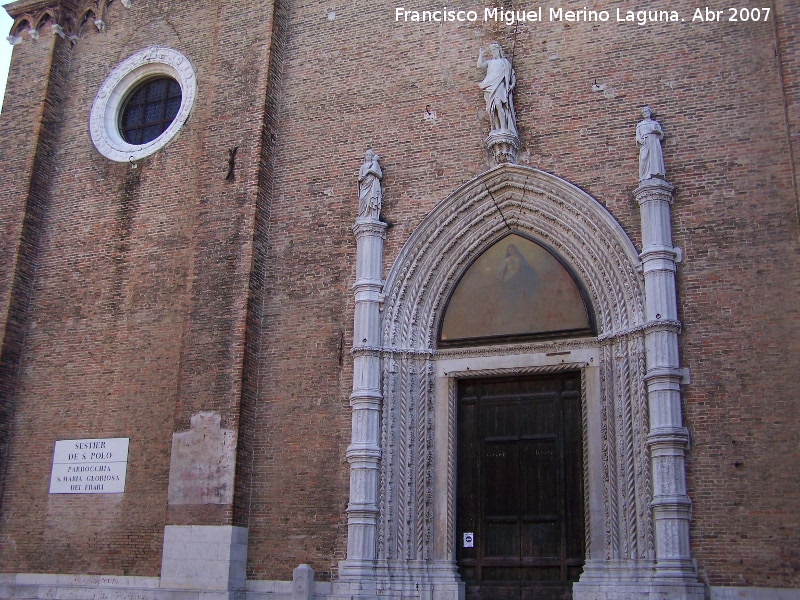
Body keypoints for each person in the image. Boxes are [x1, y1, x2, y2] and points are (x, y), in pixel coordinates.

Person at [477, 42, 517, 135]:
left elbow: (512, 74)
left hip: (500, 86)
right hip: (490, 87)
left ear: (499, 50)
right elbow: (480, 65)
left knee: (499, 105)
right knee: (492, 108)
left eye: (494, 50)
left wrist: (512, 84)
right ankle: (497, 128)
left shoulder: (504, 62)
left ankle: (503, 127)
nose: (493, 52)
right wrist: (481, 55)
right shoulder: (490, 62)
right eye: (491, 51)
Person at [636, 106, 666, 181]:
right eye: (643, 112)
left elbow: (661, 135)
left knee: (654, 157)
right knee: (643, 158)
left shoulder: (655, 123)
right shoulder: (640, 124)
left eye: (646, 111)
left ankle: (655, 174)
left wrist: (657, 132)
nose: (645, 113)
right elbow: (637, 136)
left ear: (650, 113)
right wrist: (640, 140)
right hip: (645, 142)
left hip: (654, 141)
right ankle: (643, 176)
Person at [358, 149, 382, 220]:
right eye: (366, 155)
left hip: (373, 184)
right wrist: (361, 178)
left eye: (369, 155)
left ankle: (372, 215)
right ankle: (362, 215)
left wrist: (370, 171)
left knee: (371, 197)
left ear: (372, 156)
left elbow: (379, 175)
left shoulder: (375, 164)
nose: (368, 156)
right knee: (362, 198)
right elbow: (360, 177)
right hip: (364, 185)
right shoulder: (363, 166)